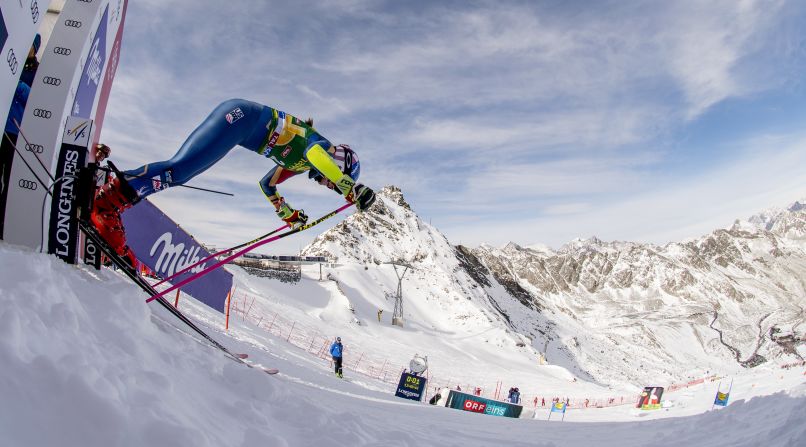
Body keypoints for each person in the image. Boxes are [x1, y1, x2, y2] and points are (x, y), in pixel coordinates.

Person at [90, 99, 376, 264]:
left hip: (238, 126)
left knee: (181, 172)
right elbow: (317, 154)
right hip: (238, 119)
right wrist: (349, 188)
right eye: (335, 180)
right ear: (341, 163)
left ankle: (108, 192)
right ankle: (105, 203)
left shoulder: (301, 164)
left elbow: (267, 184)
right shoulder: (319, 146)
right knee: (180, 170)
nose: (328, 184)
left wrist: (285, 212)